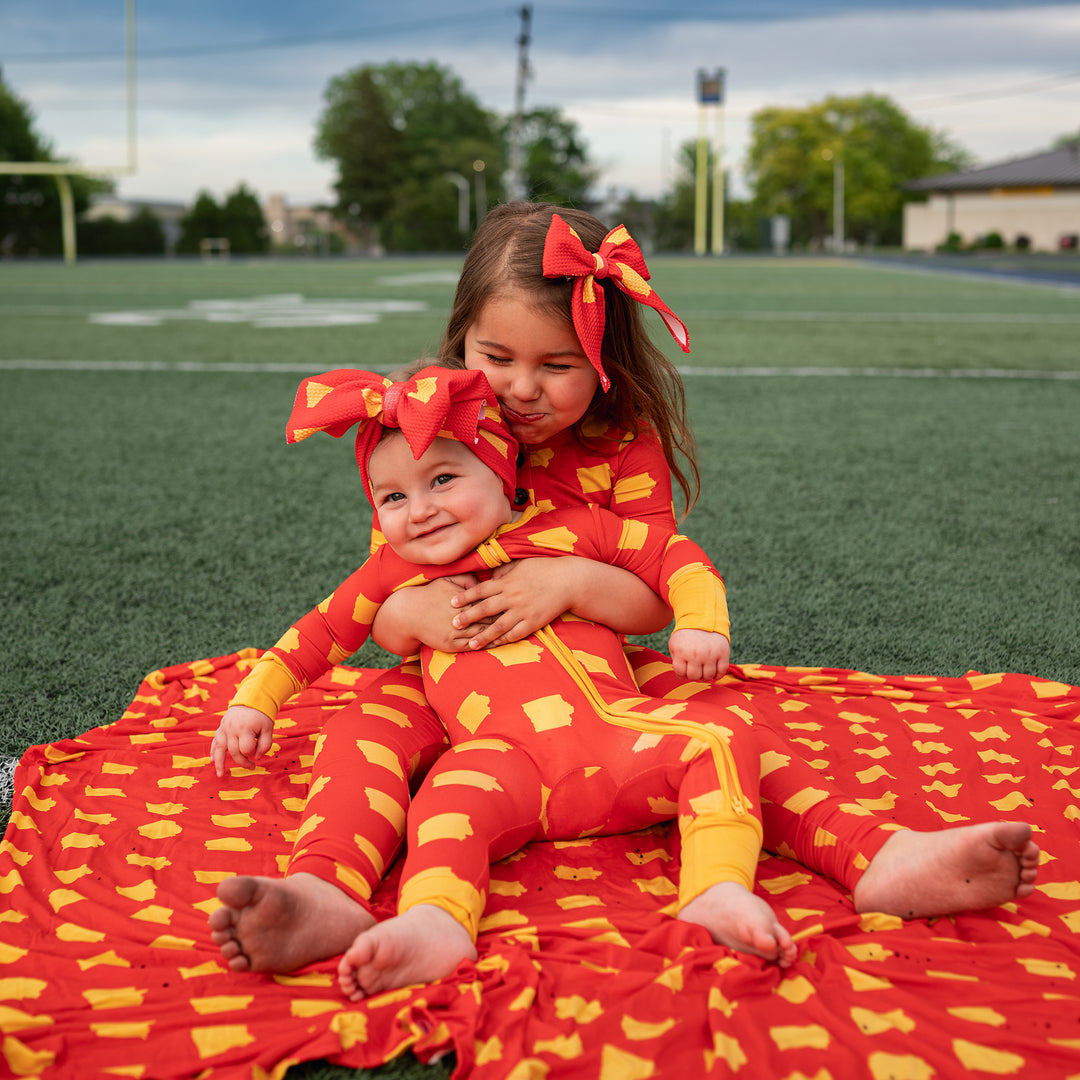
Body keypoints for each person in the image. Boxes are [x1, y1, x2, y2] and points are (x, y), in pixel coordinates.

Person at [209, 204, 1039, 981]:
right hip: (450, 686)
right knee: (363, 729)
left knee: (726, 731)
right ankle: (327, 892)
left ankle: (876, 853)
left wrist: (567, 580)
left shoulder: (621, 446)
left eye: (556, 365)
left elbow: (653, 597)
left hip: (602, 664)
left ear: (600, 360)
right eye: (496, 359)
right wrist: (408, 615)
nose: (520, 389)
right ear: (461, 339)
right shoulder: (430, 428)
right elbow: (370, 597)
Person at [225, 365, 803, 995]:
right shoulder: (391, 572)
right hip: (503, 766)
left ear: (503, 476)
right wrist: (254, 702)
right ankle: (435, 922)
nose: (419, 511)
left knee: (719, 737)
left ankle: (717, 891)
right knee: (445, 803)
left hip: (620, 741)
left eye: (443, 479)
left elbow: (674, 556)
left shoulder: (570, 529)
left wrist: (700, 624)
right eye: (392, 498)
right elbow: (315, 635)